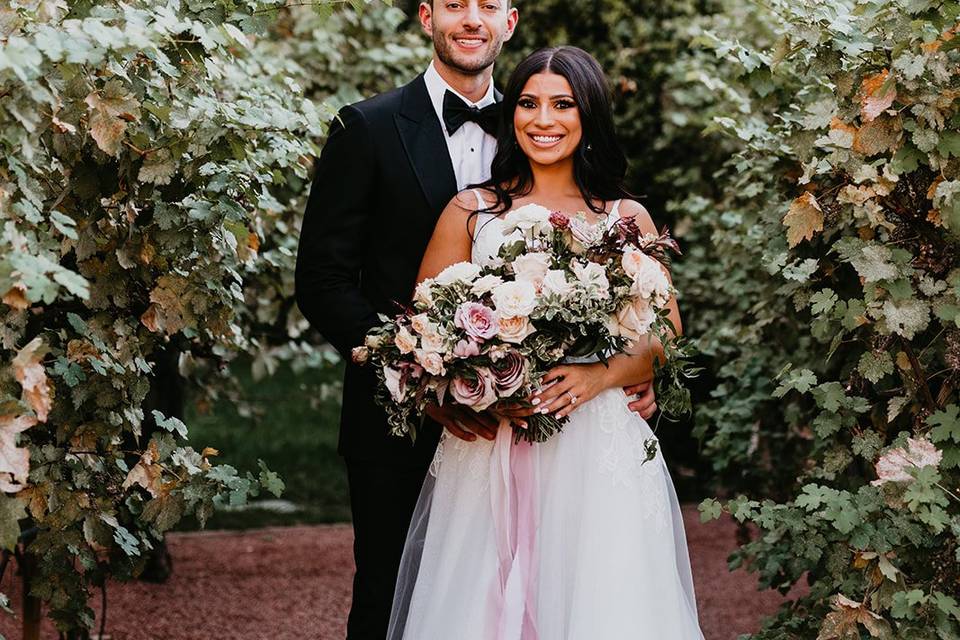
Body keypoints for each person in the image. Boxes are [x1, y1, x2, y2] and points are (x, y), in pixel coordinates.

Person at [295, 2, 659, 636]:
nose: (471, 19)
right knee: (395, 596)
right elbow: (323, 282)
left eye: (486, 5)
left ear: (510, 21)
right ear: (425, 16)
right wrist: (425, 374)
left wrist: (619, 368)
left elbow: (653, 322)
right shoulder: (366, 128)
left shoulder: (537, 115)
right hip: (405, 419)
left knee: (563, 590)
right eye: (454, 4)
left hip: (555, 431)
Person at [386, 46, 705, 639]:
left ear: (589, 116)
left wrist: (600, 376)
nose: (543, 119)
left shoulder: (623, 215)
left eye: (563, 104)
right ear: (513, 115)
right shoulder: (470, 212)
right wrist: (461, 393)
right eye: (529, 103)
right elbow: (421, 336)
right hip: (491, 449)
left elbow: (667, 334)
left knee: (600, 600)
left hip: (594, 442)